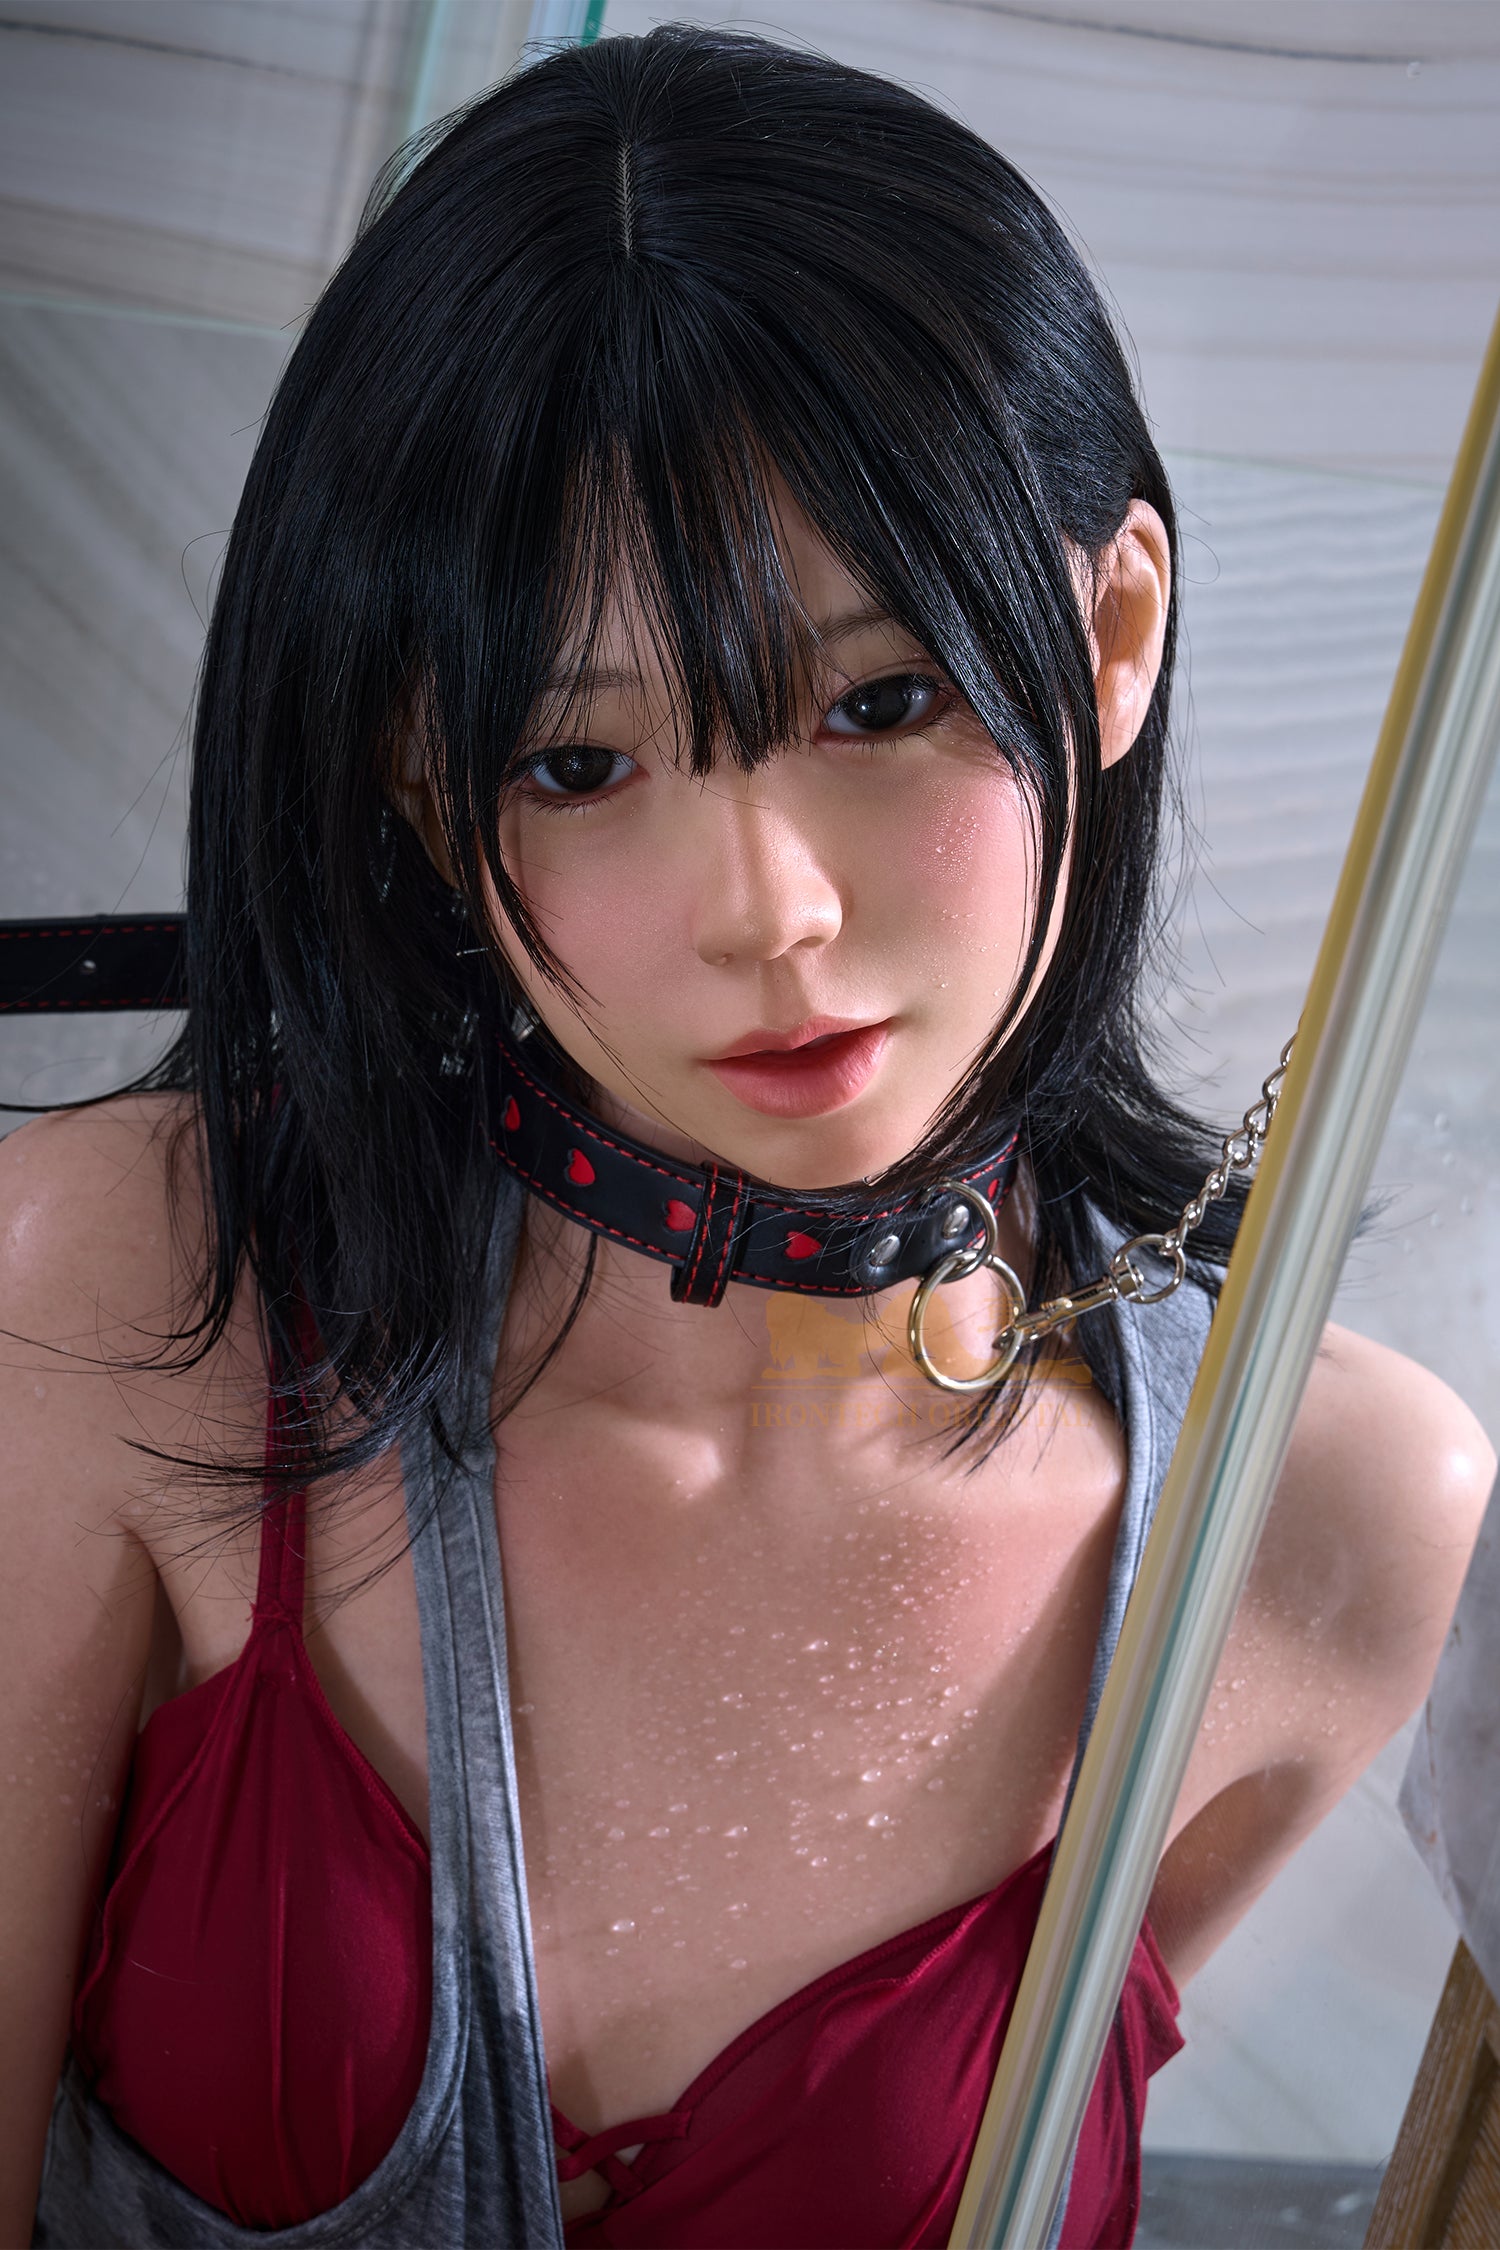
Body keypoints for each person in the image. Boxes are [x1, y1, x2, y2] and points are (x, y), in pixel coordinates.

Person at [2, 25, 1491, 2249]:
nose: (770, 909)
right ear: (418, 775)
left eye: (878, 702)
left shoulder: (1326, 1510)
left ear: (1114, 631)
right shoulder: (115, 1298)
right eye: (580, 765)